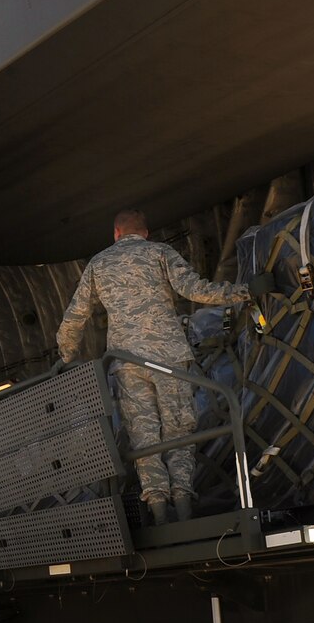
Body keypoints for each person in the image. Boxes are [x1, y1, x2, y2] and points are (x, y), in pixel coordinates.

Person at [57, 209, 247, 525]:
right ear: (144, 232)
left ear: (116, 233)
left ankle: (158, 509)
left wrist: (67, 354)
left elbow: (75, 316)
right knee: (179, 428)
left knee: (144, 436)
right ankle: (184, 503)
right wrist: (241, 292)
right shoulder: (160, 252)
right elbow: (195, 290)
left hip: (127, 363)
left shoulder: (99, 264)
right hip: (169, 357)